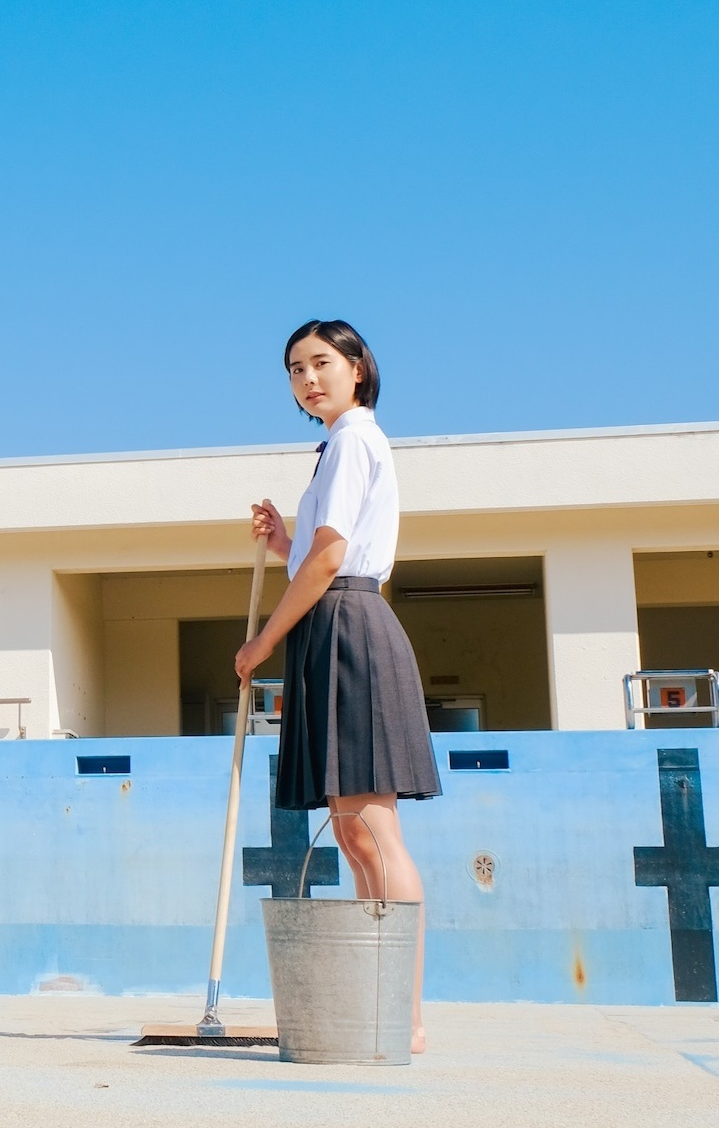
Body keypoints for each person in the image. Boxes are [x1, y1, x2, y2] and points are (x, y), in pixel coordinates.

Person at [235, 318, 442, 1054]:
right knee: (350, 829)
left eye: (321, 362)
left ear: (358, 366)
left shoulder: (355, 437)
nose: (307, 378)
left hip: (348, 624)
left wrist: (264, 639)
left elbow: (332, 563)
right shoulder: (331, 451)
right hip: (331, 624)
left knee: (373, 826)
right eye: (295, 369)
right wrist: (283, 543)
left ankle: (405, 1015)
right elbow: (318, 551)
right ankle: (378, 1000)